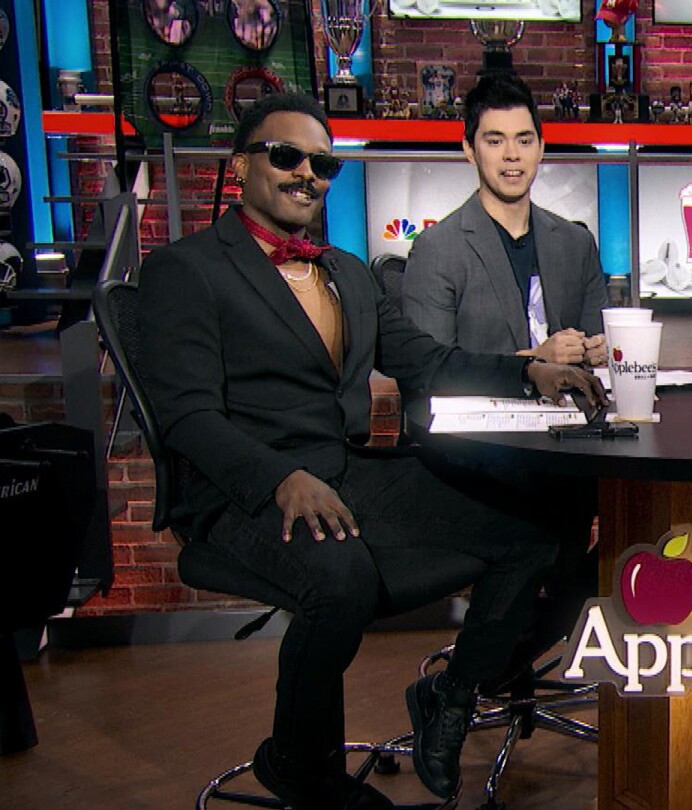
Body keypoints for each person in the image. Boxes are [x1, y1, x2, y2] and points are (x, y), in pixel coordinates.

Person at [139, 92, 605, 808]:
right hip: (241, 490)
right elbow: (188, 417)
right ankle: (300, 765)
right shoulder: (186, 268)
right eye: (286, 157)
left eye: (321, 163)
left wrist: (526, 371)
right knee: (341, 581)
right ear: (240, 166)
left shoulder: (346, 271)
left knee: (532, 531)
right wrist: (281, 479)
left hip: (343, 470)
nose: (306, 174)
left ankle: (451, 695)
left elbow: (427, 359)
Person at [403, 74, 606, 654]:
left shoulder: (573, 242)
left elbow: (600, 347)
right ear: (469, 150)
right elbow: (427, 374)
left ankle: (498, 661)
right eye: (494, 140)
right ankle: (487, 668)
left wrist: (598, 350)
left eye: (524, 139)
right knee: (539, 542)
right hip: (483, 453)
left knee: (629, 526)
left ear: (541, 148)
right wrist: (533, 361)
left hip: (568, 446)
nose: (512, 155)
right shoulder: (439, 249)